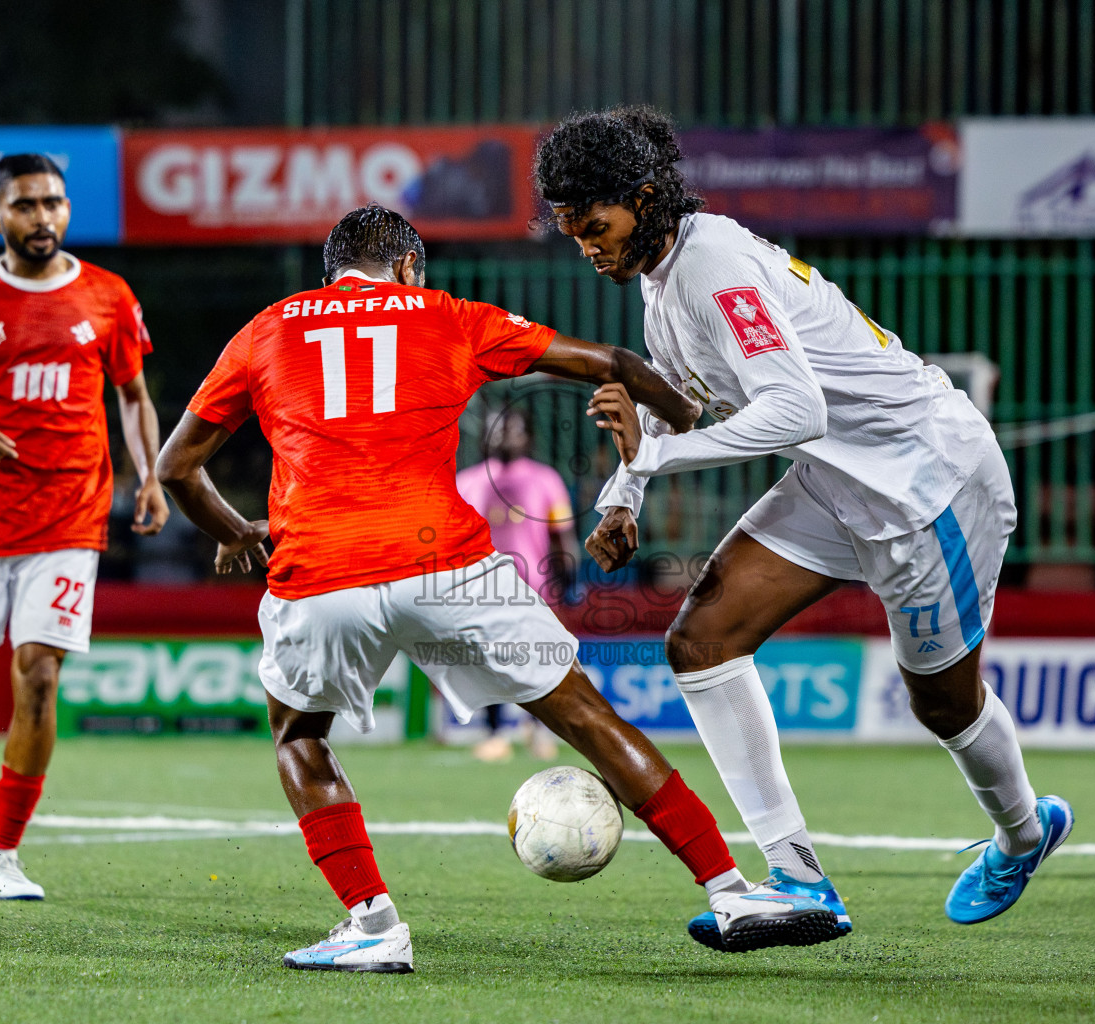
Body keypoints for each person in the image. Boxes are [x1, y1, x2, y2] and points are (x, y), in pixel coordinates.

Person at [156, 204, 838, 973]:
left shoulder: (266, 329)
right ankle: (731, 887)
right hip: (448, 566)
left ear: (330, 275)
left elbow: (176, 469)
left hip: (320, 573)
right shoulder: (448, 314)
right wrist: (679, 413)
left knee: (300, 737)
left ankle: (373, 923)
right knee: (581, 712)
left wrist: (234, 533)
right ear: (410, 268)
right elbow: (610, 360)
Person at [534, 107, 1073, 946]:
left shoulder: (713, 265)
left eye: (596, 225)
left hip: (929, 483)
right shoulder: (661, 282)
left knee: (943, 703)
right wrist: (624, 495)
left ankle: (1023, 834)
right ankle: (799, 880)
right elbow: (681, 417)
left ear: (645, 198)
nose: (587, 247)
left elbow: (796, 408)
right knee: (701, 641)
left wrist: (653, 465)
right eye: (571, 233)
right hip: (835, 482)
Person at [0, 153, 168, 900]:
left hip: (69, 518)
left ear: (68, 211)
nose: (41, 217)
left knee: (40, 676)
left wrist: (148, 475)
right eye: (25, 205)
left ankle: (0, 857)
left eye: (52, 203)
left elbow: (134, 394)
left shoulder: (108, 296)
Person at [456, 407, 576, 761]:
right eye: (496, 429)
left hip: (534, 587)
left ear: (528, 437)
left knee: (537, 660)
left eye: (513, 429)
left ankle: (537, 729)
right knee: (487, 662)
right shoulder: (465, 481)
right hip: (481, 588)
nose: (504, 435)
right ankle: (495, 733)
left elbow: (562, 537)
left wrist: (568, 583)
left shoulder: (545, 479)